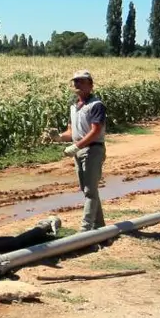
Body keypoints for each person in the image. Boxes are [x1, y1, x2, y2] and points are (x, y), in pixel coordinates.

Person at [57, 68, 106, 231]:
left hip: (92, 150)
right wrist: (57, 137)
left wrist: (77, 146)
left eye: (81, 81)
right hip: (79, 150)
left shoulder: (96, 105)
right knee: (87, 190)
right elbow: (71, 132)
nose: (77, 84)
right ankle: (100, 227)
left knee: (90, 191)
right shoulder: (74, 106)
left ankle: (85, 229)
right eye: (75, 81)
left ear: (90, 85)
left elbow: (95, 131)